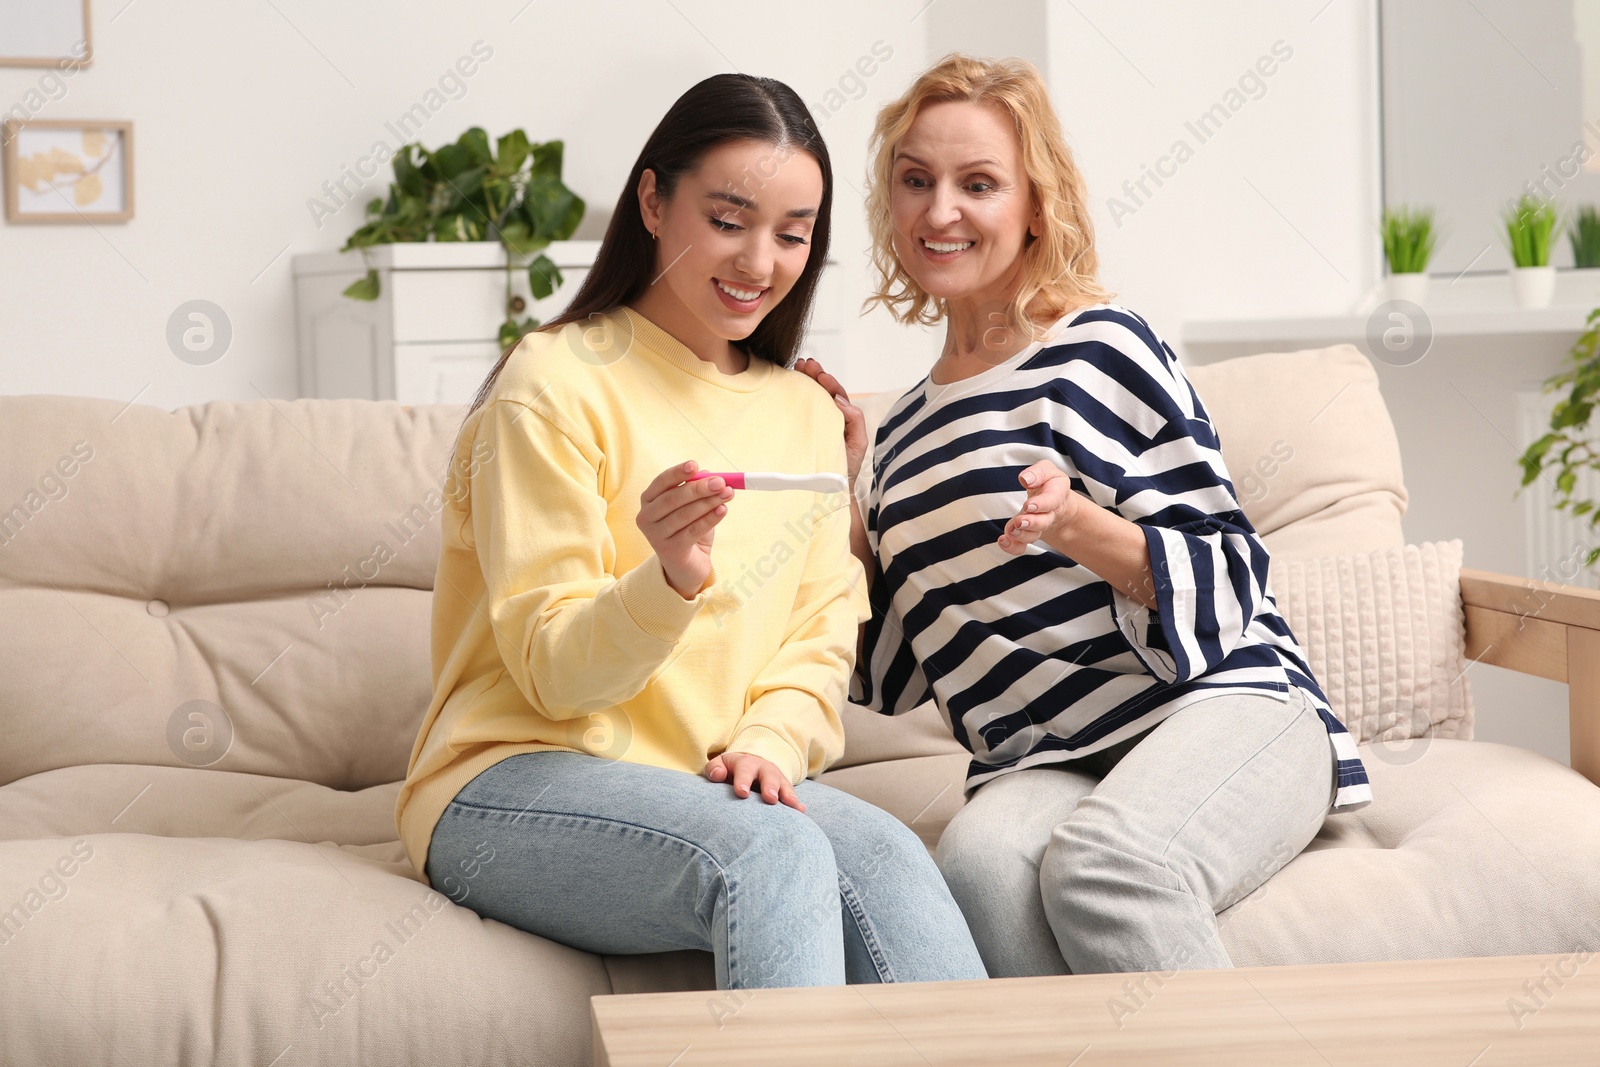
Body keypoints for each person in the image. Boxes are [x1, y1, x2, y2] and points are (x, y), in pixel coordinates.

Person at [393, 72, 987, 991]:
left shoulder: (804, 412)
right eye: (728, 219)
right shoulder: (554, 383)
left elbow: (821, 635)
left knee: (887, 857)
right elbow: (554, 676)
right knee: (770, 853)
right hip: (510, 779)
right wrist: (665, 580)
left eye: (793, 235)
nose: (761, 260)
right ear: (652, 200)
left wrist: (774, 741)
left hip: (708, 786)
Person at [799, 54, 1372, 979]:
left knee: (1107, 866)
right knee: (978, 868)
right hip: (1045, 763)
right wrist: (849, 494)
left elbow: (1230, 574)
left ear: (1036, 202)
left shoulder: (1103, 347)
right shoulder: (899, 436)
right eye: (916, 181)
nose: (940, 210)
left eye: (977, 183)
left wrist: (1074, 525)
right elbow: (894, 673)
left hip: (1226, 710)